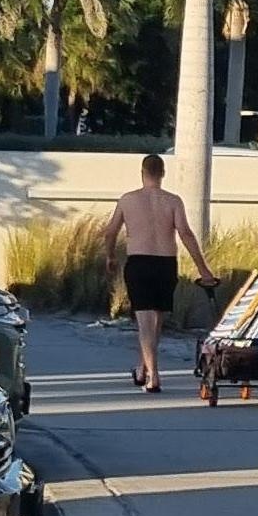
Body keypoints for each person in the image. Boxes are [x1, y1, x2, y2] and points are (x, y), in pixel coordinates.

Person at [102, 153, 212, 397]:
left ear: (142, 173)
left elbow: (110, 232)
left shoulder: (128, 200)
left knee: (145, 323)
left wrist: (110, 256)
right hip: (166, 264)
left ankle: (153, 375)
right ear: (162, 173)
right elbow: (185, 233)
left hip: (139, 263)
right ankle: (142, 369)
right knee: (156, 321)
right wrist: (203, 269)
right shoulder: (173, 201)